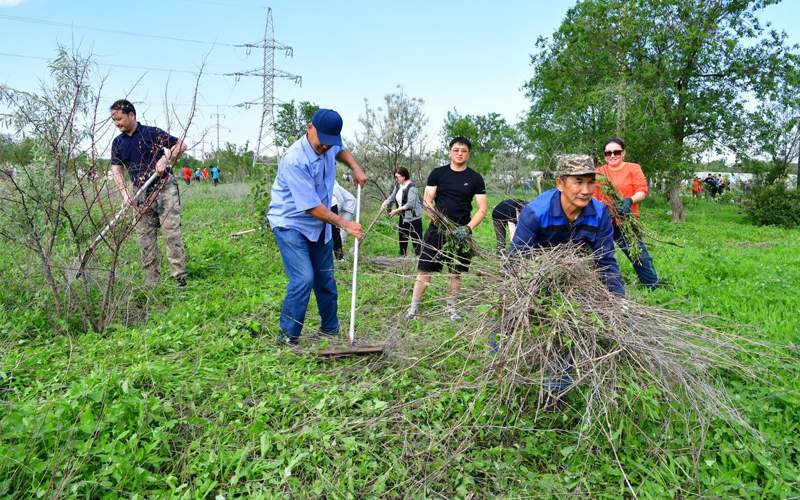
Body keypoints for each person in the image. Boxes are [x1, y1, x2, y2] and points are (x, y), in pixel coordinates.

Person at [267, 108, 367, 345]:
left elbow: (340, 150)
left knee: (325, 280)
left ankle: (329, 332)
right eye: (322, 142)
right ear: (309, 127)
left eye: (329, 143)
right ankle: (287, 339)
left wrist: (355, 168)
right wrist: (345, 224)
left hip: (319, 225)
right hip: (290, 222)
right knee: (303, 279)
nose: (325, 148)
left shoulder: (330, 145)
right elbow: (311, 207)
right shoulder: (294, 160)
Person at [512, 154, 624, 295]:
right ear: (560, 184)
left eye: (591, 182)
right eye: (578, 182)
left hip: (577, 272)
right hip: (538, 273)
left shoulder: (600, 214)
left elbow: (606, 262)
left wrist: (618, 299)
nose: (586, 191)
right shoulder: (535, 213)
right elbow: (516, 258)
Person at [405, 136, 488, 321]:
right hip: (437, 230)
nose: (460, 153)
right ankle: (413, 308)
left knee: (456, 273)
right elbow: (427, 201)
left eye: (464, 150)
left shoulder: (475, 178)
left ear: (469, 154)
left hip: (460, 232)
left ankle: (451, 309)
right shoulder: (438, 173)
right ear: (450, 151)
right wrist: (437, 219)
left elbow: (482, 208)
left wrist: (467, 228)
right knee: (425, 269)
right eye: (456, 150)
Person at [109, 99, 188, 287]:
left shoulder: (151, 133)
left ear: (131, 115)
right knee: (145, 238)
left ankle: (179, 278)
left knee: (171, 234)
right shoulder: (118, 143)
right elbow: (116, 170)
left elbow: (181, 145)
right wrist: (125, 194)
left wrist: (165, 159)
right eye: (114, 120)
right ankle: (152, 283)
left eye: (119, 119)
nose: (117, 123)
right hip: (140, 193)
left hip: (164, 188)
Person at [594, 137, 659, 289]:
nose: (612, 155)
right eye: (608, 153)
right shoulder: (598, 172)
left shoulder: (633, 168)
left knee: (639, 255)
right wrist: (602, 212)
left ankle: (652, 286)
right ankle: (604, 287)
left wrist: (629, 201)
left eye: (616, 151)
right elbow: (594, 197)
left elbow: (642, 191)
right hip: (604, 222)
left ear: (623, 153)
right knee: (602, 255)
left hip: (625, 220)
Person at [381, 166, 423, 257]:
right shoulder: (398, 186)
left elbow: (410, 204)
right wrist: (386, 202)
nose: (396, 179)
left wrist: (396, 211)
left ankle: (419, 260)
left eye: (397, 177)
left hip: (414, 218)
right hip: (403, 217)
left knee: (416, 241)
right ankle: (403, 259)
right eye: (395, 177)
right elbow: (392, 197)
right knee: (403, 238)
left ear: (404, 176)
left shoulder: (412, 187)